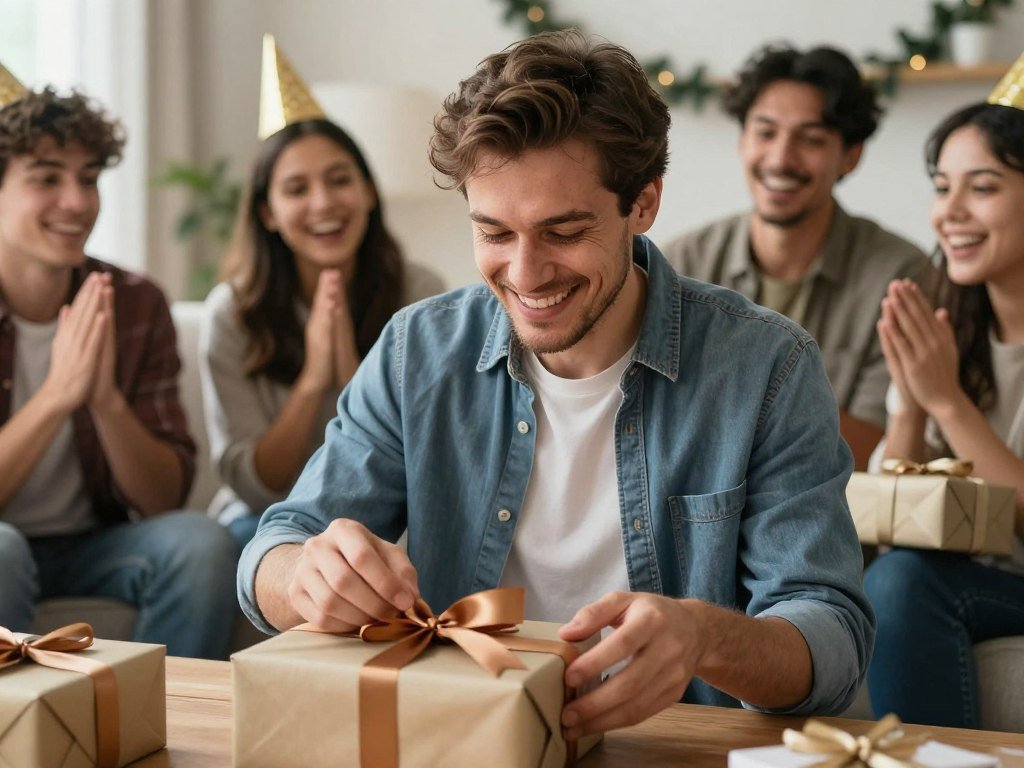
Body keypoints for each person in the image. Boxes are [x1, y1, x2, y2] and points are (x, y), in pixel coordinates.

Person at [239, 30, 874, 735]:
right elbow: (274, 547)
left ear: (643, 205)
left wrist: (703, 635)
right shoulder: (416, 351)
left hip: (678, 747)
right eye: (494, 233)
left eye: (563, 232)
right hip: (464, 737)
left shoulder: (767, 367)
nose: (526, 273)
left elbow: (832, 637)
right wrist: (305, 576)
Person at [0, 64, 236, 659]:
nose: (76, 202)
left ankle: (170, 732)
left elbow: (162, 501)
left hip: (96, 544)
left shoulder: (133, 302)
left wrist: (103, 400)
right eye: (46, 178)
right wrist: (58, 394)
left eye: (89, 177)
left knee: (201, 543)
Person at [199, 37, 444, 550]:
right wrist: (312, 382)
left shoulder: (421, 293)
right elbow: (252, 486)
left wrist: (355, 374)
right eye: (296, 189)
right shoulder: (232, 314)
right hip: (267, 521)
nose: (323, 203)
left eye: (339, 180)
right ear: (267, 213)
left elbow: (431, 461)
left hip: (390, 519)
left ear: (369, 191)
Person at [662, 45, 936, 469]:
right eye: (766, 132)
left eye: (810, 139)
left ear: (850, 155)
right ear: (742, 139)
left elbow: (870, 447)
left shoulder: (899, 275)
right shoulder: (680, 264)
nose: (780, 159)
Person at [864, 70, 1024, 728]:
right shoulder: (950, 324)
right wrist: (910, 406)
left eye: (981, 188)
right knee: (886, 574)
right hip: (978, 577)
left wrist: (948, 402)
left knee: (904, 584)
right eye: (941, 187)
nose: (949, 212)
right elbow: (887, 525)